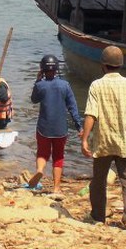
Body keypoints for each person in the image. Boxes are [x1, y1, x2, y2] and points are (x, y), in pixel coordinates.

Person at [81, 46, 126, 226]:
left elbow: (91, 114)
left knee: (98, 182)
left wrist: (85, 139)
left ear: (103, 65)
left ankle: (98, 216)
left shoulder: (96, 85)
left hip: (104, 142)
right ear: (121, 65)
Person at [28, 54, 83, 193]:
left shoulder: (40, 85)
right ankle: (56, 188)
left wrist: (37, 81)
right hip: (61, 129)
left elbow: (34, 99)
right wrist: (79, 125)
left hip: (43, 128)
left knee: (42, 153)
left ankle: (40, 170)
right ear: (57, 68)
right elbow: (72, 107)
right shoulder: (65, 85)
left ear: (42, 69)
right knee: (58, 156)